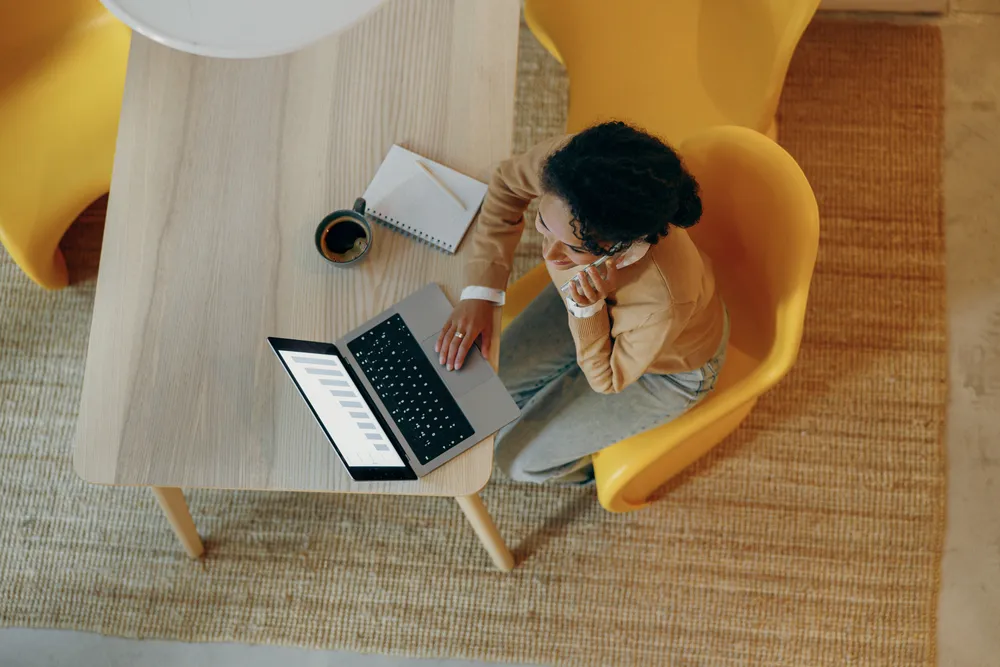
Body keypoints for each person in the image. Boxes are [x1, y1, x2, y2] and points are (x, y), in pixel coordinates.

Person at [435, 121, 728, 485]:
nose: (550, 255)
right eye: (543, 224)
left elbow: (606, 378)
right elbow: (507, 184)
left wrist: (588, 310)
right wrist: (481, 292)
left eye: (575, 248)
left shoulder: (663, 298)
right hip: (588, 300)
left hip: (665, 369)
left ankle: (585, 467)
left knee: (515, 461)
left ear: (621, 245)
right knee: (479, 392)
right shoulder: (571, 169)